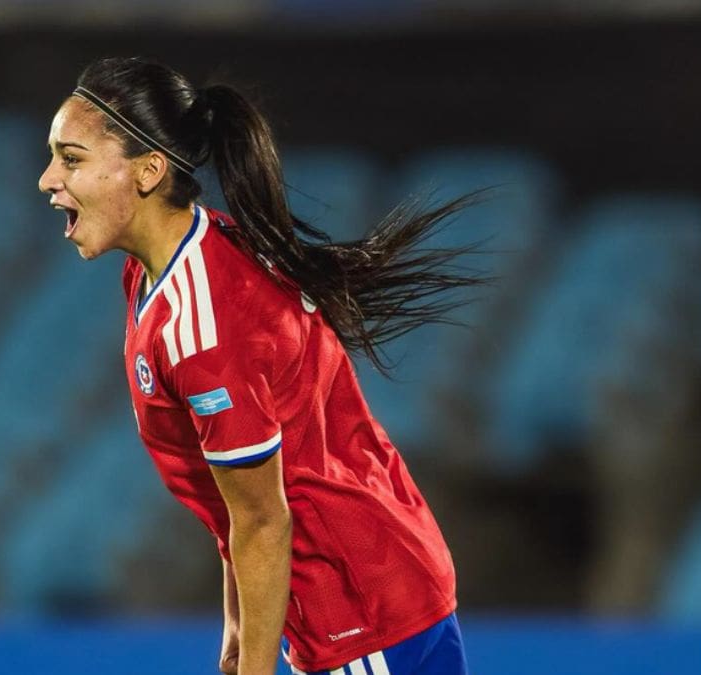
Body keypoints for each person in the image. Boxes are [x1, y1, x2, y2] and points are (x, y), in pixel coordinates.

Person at [37, 56, 478, 675]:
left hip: (357, 607)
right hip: (363, 586)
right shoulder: (170, 263)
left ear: (147, 171)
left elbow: (264, 520)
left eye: (72, 157)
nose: (47, 179)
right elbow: (237, 498)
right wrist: (242, 625)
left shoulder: (205, 332)